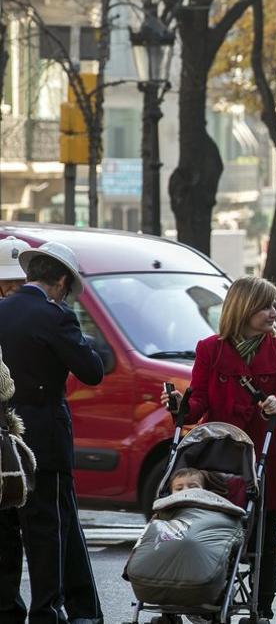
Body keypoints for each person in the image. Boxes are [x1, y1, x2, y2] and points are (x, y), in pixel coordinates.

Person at [162, 276, 276, 622]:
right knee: (214, 527)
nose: (273, 313)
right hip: (221, 452)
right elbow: (199, 403)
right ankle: (210, 596)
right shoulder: (211, 349)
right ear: (244, 308)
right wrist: (179, 404)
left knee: (266, 534)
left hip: (264, 450)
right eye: (266, 306)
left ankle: (262, 605)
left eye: (274, 305)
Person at [0, 241, 105, 624]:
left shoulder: (2, 310)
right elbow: (91, 370)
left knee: (6, 528)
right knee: (48, 528)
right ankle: (47, 611)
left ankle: (7, 610)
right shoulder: (56, 317)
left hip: (3, 438)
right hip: (44, 437)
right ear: (60, 280)